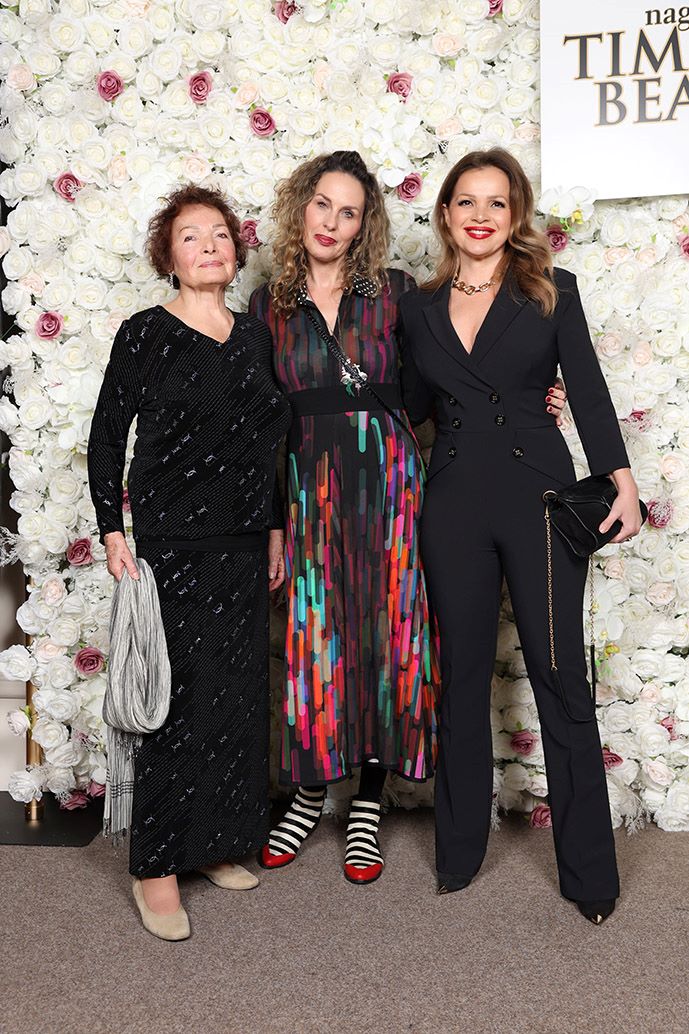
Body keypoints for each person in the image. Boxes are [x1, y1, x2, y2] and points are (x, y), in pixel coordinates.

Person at [249, 151, 566, 885]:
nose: (332, 222)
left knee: (385, 639)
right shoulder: (268, 305)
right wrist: (272, 522)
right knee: (314, 639)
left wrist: (532, 397)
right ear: (301, 209)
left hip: (390, 488)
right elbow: (259, 423)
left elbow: (438, 384)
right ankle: (306, 796)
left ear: (365, 224)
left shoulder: (393, 294)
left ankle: (367, 802)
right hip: (309, 491)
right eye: (322, 205)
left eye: (349, 211)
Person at [399, 147, 642, 924]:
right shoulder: (416, 308)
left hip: (537, 498)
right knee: (460, 679)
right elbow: (404, 407)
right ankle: (458, 853)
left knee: (559, 676)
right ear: (445, 214)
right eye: (466, 201)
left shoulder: (549, 291)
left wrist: (620, 480)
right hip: (452, 504)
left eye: (496, 202)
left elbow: (589, 391)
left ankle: (589, 876)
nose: (480, 215)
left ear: (515, 215)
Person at [87, 184, 291, 939]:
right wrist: (113, 529)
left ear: (236, 251)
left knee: (234, 700)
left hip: (243, 544)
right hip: (172, 542)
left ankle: (214, 843)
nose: (209, 245)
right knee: (173, 703)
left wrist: (275, 530)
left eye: (220, 234)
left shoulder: (255, 338)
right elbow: (109, 434)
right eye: (190, 236)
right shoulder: (146, 333)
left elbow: (267, 445)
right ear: (168, 257)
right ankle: (156, 868)